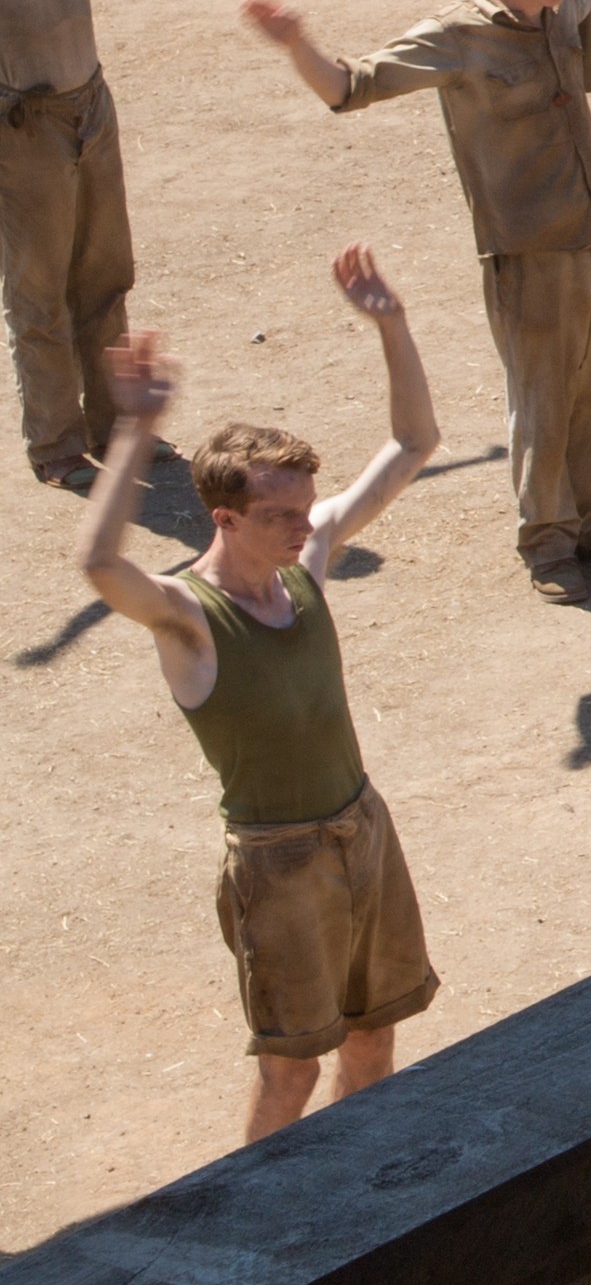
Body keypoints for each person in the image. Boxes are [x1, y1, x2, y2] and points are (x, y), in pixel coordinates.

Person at [239, 0, 591, 600]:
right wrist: (296, 42)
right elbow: (350, 86)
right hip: (528, 250)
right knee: (544, 401)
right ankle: (547, 543)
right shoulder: (455, 36)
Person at [77, 258, 438, 1147]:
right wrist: (135, 428)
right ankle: (265, 1221)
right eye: (281, 514)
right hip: (280, 864)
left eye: (307, 507)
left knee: (374, 1037)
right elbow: (98, 563)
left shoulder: (304, 563)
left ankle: (362, 1197)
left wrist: (392, 325)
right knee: (291, 1069)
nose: (306, 525)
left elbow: (413, 442)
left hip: (363, 828)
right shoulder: (187, 617)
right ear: (224, 518)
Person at [0, 0, 209, 485]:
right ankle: (57, 446)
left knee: (104, 274)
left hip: (91, 106)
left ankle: (116, 426)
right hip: (24, 126)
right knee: (40, 292)